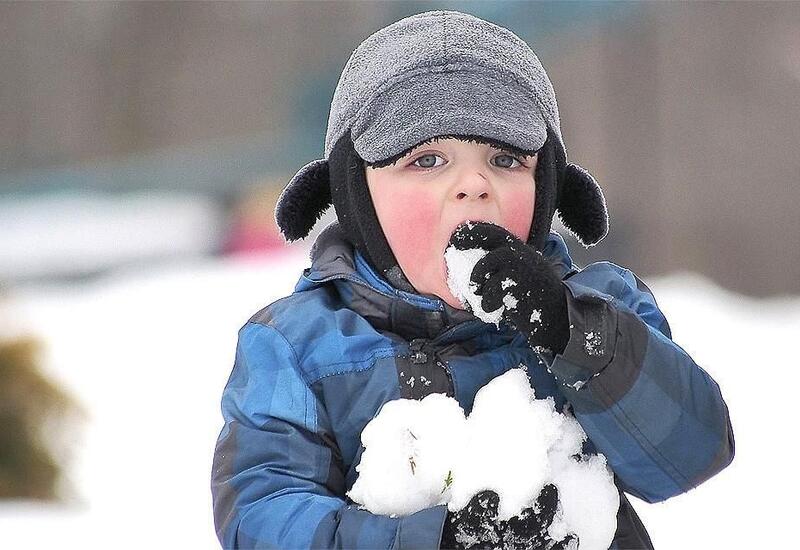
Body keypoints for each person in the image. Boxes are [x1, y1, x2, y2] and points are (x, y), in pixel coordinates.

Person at [211, 10, 734, 550]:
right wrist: (436, 541)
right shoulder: (299, 345)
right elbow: (263, 519)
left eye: (506, 159)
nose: (474, 185)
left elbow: (690, 452)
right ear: (356, 193)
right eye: (427, 159)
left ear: (548, 187)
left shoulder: (598, 308)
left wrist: (571, 333)